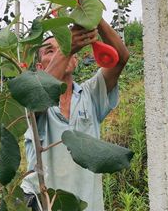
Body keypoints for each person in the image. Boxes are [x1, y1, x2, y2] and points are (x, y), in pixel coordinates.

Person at [21, 18, 130, 211]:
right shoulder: (30, 99)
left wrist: (94, 16)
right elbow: (40, 98)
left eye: (61, 47)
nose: (59, 52)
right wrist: (66, 47)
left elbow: (120, 59)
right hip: (47, 204)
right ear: (39, 68)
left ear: (75, 59)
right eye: (49, 51)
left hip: (87, 205)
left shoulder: (90, 94)